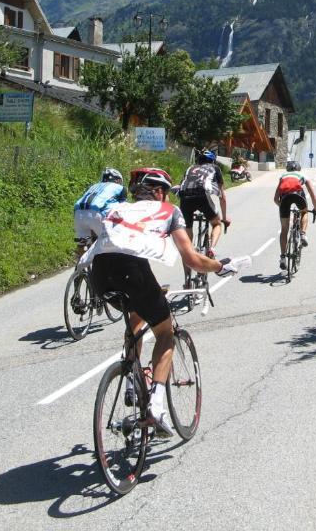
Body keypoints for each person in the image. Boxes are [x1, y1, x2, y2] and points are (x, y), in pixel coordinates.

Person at [82, 167, 237, 437]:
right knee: (164, 334)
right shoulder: (169, 212)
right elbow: (191, 259)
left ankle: (132, 379)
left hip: (99, 276)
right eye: (164, 191)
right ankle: (156, 406)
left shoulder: (117, 210)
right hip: (132, 272)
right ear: (158, 192)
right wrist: (219, 267)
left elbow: (111, 248)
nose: (166, 196)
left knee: (136, 313)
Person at [178, 149, 229, 288]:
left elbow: (183, 184)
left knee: (187, 244)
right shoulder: (215, 168)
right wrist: (224, 218)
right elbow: (222, 196)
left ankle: (187, 280)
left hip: (184, 197)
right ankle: (211, 249)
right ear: (212, 161)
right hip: (202, 195)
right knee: (216, 224)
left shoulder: (190, 168)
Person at [274, 160, 316, 272]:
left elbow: (275, 199)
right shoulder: (302, 175)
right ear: (298, 169)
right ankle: (303, 234)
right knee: (304, 212)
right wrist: (315, 208)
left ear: (287, 169)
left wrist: (284, 208)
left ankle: (283, 258)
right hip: (298, 196)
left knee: (284, 230)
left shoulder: (283, 176)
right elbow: (314, 196)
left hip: (284, 199)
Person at [73, 168, 127, 254]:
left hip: (78, 213)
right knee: (106, 243)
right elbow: (123, 208)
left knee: (82, 243)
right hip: (97, 213)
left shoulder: (93, 186)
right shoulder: (120, 188)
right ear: (117, 180)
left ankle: (81, 262)